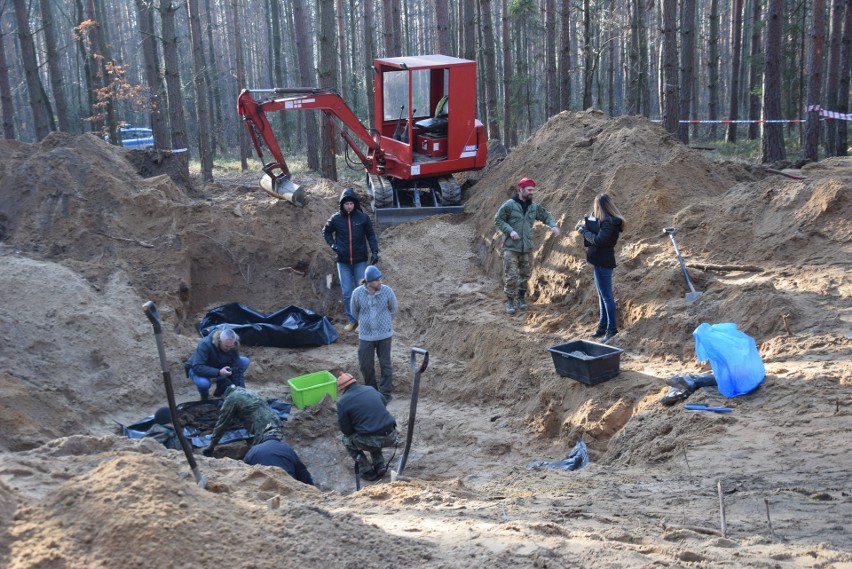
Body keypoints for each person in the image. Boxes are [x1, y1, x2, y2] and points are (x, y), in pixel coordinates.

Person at [494, 177, 561, 315]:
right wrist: (510, 230)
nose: (531, 193)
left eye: (532, 190)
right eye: (529, 190)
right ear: (521, 189)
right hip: (511, 247)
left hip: (526, 247)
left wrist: (553, 226)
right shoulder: (509, 205)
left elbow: (546, 215)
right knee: (511, 275)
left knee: (525, 274)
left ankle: (520, 298)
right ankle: (510, 301)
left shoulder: (533, 206)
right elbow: (498, 219)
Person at [323, 188, 379, 333]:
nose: (349, 206)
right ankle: (352, 321)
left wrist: (374, 251)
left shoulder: (363, 218)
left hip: (360, 260)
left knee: (362, 291)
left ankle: (363, 321)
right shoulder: (335, 219)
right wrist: (333, 245)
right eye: (346, 203)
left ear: (355, 204)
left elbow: (371, 236)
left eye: (351, 203)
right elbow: (326, 232)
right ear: (342, 204)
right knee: (347, 292)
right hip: (343, 262)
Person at [575, 193, 626, 343]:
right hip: (600, 261)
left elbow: (598, 240)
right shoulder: (609, 222)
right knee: (602, 296)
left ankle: (611, 329)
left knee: (607, 297)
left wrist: (584, 231)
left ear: (600, 207)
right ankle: (603, 326)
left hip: (604, 261)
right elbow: (598, 234)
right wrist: (586, 226)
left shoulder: (610, 223)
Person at [336, 372, 399, 482]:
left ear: (342, 389)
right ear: (355, 381)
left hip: (372, 440)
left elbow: (346, 430)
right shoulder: (370, 389)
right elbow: (383, 403)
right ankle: (379, 465)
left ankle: (367, 471)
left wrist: (357, 427)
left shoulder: (342, 402)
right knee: (371, 431)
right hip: (391, 434)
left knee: (347, 440)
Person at [351, 265, 398, 403]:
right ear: (369, 281)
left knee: (385, 365)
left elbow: (394, 309)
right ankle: (373, 394)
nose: (380, 282)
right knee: (366, 365)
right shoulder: (357, 293)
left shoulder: (387, 291)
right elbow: (354, 312)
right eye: (377, 280)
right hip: (366, 336)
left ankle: (385, 396)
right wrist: (365, 321)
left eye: (380, 279)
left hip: (384, 335)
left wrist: (385, 321)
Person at [202, 385, 282, 456]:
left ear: (224, 395)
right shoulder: (244, 391)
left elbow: (221, 424)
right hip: (275, 419)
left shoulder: (231, 398)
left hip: (262, 426)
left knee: (257, 454)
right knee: (275, 446)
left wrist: (211, 446)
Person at [185, 328, 250, 400]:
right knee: (203, 383)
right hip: (198, 367)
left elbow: (237, 368)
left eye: (231, 347)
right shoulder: (205, 344)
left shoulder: (233, 344)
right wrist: (218, 372)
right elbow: (197, 367)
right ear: (219, 341)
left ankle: (221, 388)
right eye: (226, 347)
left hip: (218, 364)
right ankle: (204, 397)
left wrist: (241, 390)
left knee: (244, 361)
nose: (229, 349)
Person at [243, 435, 314, 486]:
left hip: (263, 487)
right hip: (287, 485)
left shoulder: (253, 450)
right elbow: (302, 473)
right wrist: (312, 489)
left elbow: (242, 471)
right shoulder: (287, 449)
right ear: (279, 439)